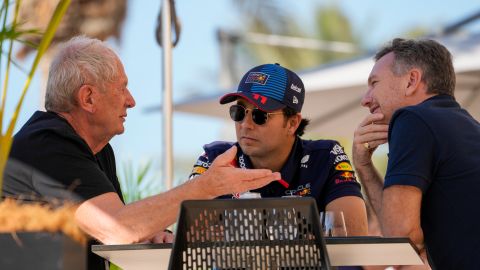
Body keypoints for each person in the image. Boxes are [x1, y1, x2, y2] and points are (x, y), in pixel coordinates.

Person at [2, 36, 280, 269]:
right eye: (122, 88)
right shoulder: (48, 144)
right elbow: (117, 229)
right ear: (88, 98)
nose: (131, 100)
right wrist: (206, 186)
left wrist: (153, 232)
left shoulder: (95, 148)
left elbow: (119, 232)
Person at [190, 63, 368, 236]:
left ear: (292, 123)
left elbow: (352, 236)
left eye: (260, 115)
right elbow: (189, 233)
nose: (245, 124)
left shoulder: (325, 157)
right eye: (239, 111)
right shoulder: (215, 158)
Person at [352, 38, 480, 269]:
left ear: (411, 81)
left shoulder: (412, 118)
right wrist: (364, 165)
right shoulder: (468, 126)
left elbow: (400, 237)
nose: (365, 99)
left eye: (374, 83)